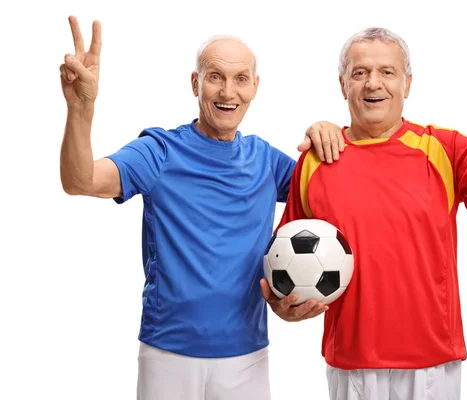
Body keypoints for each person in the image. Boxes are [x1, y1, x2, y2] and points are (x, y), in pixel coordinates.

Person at [59, 16, 344, 400]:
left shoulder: (266, 160)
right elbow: (80, 181)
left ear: (255, 87)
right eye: (215, 76)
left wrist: (328, 130)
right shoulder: (159, 151)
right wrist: (81, 109)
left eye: (241, 78)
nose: (228, 91)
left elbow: (338, 195)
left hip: (247, 355)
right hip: (168, 354)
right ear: (196, 83)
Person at [262, 27, 467, 400]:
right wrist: (285, 306)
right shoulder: (316, 160)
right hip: (352, 365)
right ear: (342, 84)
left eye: (387, 72)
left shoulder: (444, 148)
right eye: (359, 72)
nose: (372, 83)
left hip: (432, 365)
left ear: (407, 83)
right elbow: (283, 263)